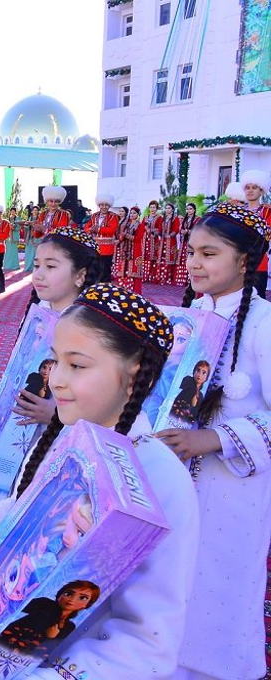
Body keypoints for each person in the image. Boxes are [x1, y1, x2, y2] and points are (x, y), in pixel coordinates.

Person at [0, 283, 199, 680]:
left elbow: (145, 638)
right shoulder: (60, 444)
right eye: (55, 361)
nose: (55, 379)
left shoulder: (158, 477)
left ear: (133, 371)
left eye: (78, 365)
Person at [151, 203, 271, 680]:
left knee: (222, 583)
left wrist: (215, 439)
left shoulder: (264, 323)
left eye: (209, 253)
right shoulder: (185, 318)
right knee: (169, 582)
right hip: (173, 480)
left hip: (232, 490)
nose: (194, 263)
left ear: (245, 261)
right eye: (191, 253)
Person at [7, 227, 100, 429]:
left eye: (50, 267)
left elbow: (104, 397)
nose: (38, 275)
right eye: (36, 265)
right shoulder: (38, 314)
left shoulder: (93, 327)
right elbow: (19, 368)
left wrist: (57, 414)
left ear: (80, 275)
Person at [0, 581, 101, 655]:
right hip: (3, 642)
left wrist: (50, 637)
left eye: (83, 598)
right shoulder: (45, 604)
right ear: (60, 595)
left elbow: (50, 650)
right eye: (68, 594)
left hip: (24, 657)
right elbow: (16, 605)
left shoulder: (69, 627)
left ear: (86, 605)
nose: (72, 599)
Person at [240, 169, 271, 298]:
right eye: (247, 187)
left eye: (254, 188)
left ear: (261, 190)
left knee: (258, 297)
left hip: (259, 260)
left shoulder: (267, 212)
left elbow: (267, 235)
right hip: (239, 261)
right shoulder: (238, 211)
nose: (250, 190)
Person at [83, 193, 120, 282]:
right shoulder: (94, 216)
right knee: (95, 269)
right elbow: (86, 227)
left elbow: (112, 230)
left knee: (105, 270)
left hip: (107, 248)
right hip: (95, 247)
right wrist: (91, 229)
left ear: (109, 206)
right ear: (99, 205)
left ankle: (105, 289)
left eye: (106, 205)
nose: (104, 207)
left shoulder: (113, 216)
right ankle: (96, 288)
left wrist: (98, 229)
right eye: (102, 205)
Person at [114, 206, 143, 293]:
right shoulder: (127, 224)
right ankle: (124, 287)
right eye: (131, 213)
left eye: (134, 213)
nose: (132, 215)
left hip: (136, 249)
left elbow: (138, 238)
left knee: (134, 269)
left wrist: (126, 235)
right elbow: (121, 234)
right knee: (124, 267)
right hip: (126, 249)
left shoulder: (140, 225)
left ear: (138, 215)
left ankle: (135, 290)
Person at [155, 203, 181, 285]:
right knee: (161, 258)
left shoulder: (175, 218)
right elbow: (159, 228)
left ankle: (168, 278)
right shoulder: (163, 218)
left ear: (172, 210)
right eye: (166, 208)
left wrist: (170, 235)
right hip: (162, 241)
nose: (167, 210)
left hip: (171, 241)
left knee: (169, 259)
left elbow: (176, 229)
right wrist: (159, 233)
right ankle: (160, 278)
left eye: (169, 208)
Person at [175, 203, 200, 287]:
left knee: (190, 260)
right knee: (182, 260)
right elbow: (180, 228)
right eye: (187, 209)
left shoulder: (197, 219)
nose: (188, 210)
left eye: (190, 209)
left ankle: (190, 280)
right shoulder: (185, 219)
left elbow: (198, 230)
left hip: (192, 243)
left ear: (194, 210)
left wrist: (188, 232)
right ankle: (181, 279)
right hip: (184, 242)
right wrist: (182, 231)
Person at [23, 205, 42, 273]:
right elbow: (26, 228)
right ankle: (28, 267)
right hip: (30, 237)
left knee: (36, 253)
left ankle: (36, 268)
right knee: (28, 253)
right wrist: (26, 225)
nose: (35, 211)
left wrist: (34, 225)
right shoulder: (29, 218)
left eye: (36, 210)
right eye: (34, 210)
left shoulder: (40, 219)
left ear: (38, 211)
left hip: (37, 238)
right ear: (31, 211)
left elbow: (41, 228)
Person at [4, 207, 21, 271]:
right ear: (10, 212)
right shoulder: (7, 219)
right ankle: (7, 265)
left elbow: (19, 227)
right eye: (11, 211)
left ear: (15, 212)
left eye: (14, 211)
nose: (12, 212)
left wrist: (14, 228)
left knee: (14, 252)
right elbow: (5, 227)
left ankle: (15, 266)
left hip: (14, 236)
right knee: (8, 251)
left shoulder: (18, 218)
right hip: (8, 237)